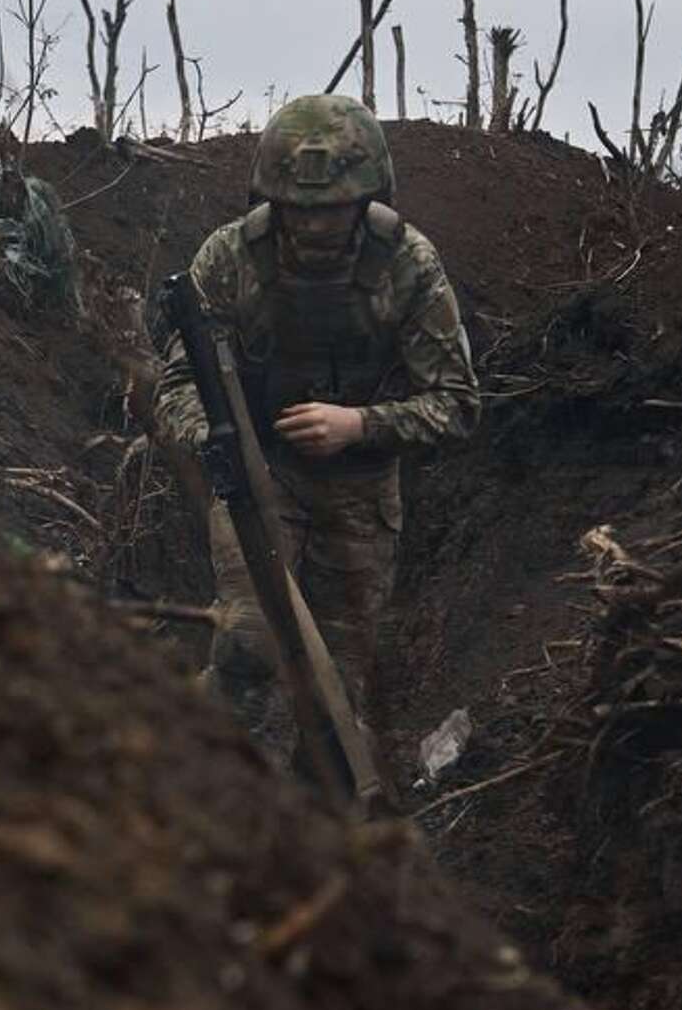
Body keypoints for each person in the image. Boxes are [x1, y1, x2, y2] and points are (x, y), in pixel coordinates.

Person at [153, 94, 480, 765]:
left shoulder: (407, 264)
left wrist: (360, 425)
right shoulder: (231, 257)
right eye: (299, 208)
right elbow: (178, 384)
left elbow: (456, 404)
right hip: (259, 476)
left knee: (341, 682)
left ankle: (321, 829)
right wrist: (219, 447)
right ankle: (195, 789)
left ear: (369, 197)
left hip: (359, 494)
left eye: (332, 207)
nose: (315, 223)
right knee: (248, 644)